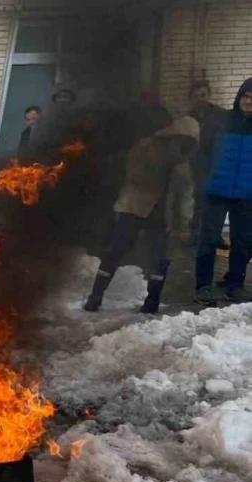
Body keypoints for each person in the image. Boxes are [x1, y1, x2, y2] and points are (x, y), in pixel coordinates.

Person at [83, 116, 200, 314]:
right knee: (116, 251)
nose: (181, 144)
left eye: (187, 142)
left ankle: (152, 301)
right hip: (133, 207)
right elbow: (134, 178)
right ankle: (95, 296)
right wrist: (164, 167)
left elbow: (185, 196)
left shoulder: (183, 165)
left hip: (162, 215)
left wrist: (182, 224)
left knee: (160, 258)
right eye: (180, 139)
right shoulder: (146, 147)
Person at [194, 77, 252, 304]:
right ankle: (202, 287)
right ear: (239, 97)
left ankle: (235, 285)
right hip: (215, 190)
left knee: (242, 242)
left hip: (246, 195)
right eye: (246, 97)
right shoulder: (221, 121)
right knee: (208, 239)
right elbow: (201, 154)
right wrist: (202, 181)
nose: (249, 102)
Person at [186, 80, 230, 244]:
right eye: (196, 96)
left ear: (209, 95)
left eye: (203, 95)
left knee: (217, 203)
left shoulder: (222, 115)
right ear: (191, 99)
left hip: (219, 165)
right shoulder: (188, 119)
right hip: (198, 166)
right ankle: (195, 235)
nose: (200, 99)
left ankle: (215, 235)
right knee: (198, 202)